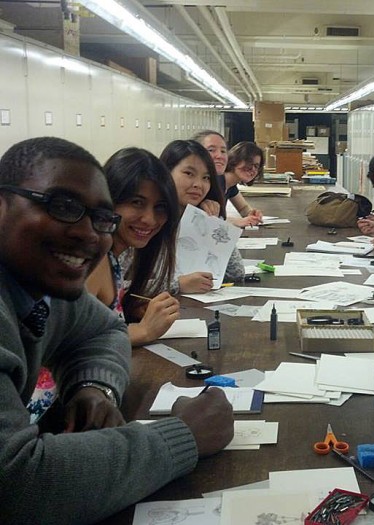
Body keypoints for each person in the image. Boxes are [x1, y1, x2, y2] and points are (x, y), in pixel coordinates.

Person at [0, 137, 233, 524]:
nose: (89, 234)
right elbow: (16, 485)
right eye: (63, 207)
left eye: (102, 218)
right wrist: (183, 436)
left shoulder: (39, 288)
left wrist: (93, 388)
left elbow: (103, 330)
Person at [86, 148, 181, 345]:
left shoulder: (113, 254)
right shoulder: (92, 257)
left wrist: (127, 306)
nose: (149, 219)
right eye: (137, 202)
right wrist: (143, 331)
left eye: (160, 207)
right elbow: (63, 343)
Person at [161, 140, 244, 292]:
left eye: (206, 178)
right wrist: (178, 285)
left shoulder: (196, 219)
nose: (198, 184)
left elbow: (235, 272)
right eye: (189, 173)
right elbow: (122, 286)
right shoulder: (150, 221)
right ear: (166, 172)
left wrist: (214, 222)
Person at [222, 141, 265, 228]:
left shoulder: (231, 185)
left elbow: (243, 208)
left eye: (256, 166)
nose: (252, 169)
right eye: (249, 162)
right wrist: (238, 221)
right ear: (235, 159)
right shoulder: (217, 182)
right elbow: (208, 218)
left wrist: (251, 214)